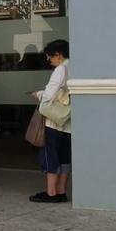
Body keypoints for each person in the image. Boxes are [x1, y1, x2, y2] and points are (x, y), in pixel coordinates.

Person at [31, 39, 71, 203]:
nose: (49, 60)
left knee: (50, 156)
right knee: (65, 157)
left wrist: (39, 94)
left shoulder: (60, 69)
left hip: (54, 121)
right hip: (68, 120)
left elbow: (49, 95)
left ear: (59, 55)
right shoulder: (74, 66)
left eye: (50, 57)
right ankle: (61, 192)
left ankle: (51, 192)